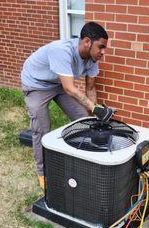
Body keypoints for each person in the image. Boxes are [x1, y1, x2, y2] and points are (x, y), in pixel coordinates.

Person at [21, 21, 114, 189]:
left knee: (82, 118)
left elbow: (90, 88)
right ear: (87, 41)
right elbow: (70, 88)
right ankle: (42, 172)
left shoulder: (93, 59)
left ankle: (84, 156)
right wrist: (96, 109)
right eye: (101, 47)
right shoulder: (62, 51)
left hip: (58, 83)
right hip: (36, 84)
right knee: (41, 128)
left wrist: (94, 115)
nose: (103, 52)